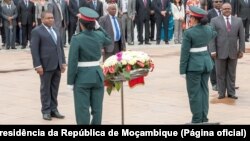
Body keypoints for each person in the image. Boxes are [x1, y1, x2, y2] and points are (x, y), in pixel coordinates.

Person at [67, 7, 112, 125]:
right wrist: (98, 27)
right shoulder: (99, 35)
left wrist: (70, 82)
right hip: (98, 76)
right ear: (93, 23)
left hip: (82, 78)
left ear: (81, 24)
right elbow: (109, 39)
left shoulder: (77, 39)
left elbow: (72, 62)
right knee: (97, 110)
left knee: (82, 110)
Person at [179, 6, 217, 123]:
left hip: (193, 66)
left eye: (190, 17)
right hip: (206, 63)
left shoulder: (189, 33)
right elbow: (214, 33)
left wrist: (182, 70)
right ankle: (204, 117)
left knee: (194, 94)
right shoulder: (208, 29)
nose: (189, 18)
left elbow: (185, 53)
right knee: (204, 91)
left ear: (195, 19)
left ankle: (196, 120)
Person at [30, 11, 66, 121]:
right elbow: (34, 50)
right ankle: (46, 111)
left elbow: (60, 47)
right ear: (42, 19)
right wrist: (37, 65)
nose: (51, 20)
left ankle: (54, 110)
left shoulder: (56, 30)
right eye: (48, 18)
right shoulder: (37, 31)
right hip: (45, 66)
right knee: (45, 89)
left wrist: (63, 62)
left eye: (52, 18)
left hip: (57, 65)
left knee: (54, 89)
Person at [210, 3, 245, 99]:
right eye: (225, 9)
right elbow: (211, 37)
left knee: (232, 73)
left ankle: (231, 93)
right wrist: (212, 50)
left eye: (228, 8)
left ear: (231, 9)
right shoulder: (214, 21)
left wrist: (241, 50)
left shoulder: (238, 20)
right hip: (219, 52)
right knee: (220, 74)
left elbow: (242, 37)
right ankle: (221, 93)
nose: (227, 10)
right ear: (221, 9)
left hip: (234, 52)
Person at [207, 0, 223, 91]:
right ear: (213, 3)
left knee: (222, 63)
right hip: (212, 42)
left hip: (223, 43)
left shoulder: (225, 12)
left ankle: (223, 82)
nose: (218, 3)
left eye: (220, 1)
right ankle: (214, 83)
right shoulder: (209, 13)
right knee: (213, 65)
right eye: (216, 1)